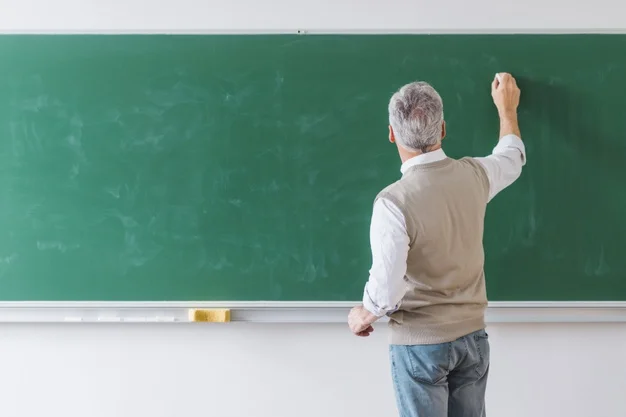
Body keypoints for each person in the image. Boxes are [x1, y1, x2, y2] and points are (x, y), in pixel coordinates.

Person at [347, 73, 525, 417]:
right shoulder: (475, 176)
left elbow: (386, 286)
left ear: (391, 134)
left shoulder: (393, 202)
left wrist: (363, 315)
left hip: (420, 345)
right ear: (442, 129)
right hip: (473, 339)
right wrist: (507, 111)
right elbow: (512, 157)